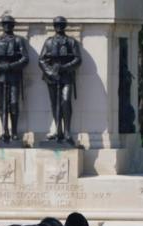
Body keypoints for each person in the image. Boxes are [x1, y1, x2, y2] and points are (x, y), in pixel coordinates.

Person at [0, 15, 29, 141]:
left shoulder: (19, 40)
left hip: (13, 75)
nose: (7, 26)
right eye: (5, 24)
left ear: (13, 26)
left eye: (9, 24)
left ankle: (14, 131)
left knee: (13, 104)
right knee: (2, 105)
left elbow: (25, 58)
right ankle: (5, 131)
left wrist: (10, 66)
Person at [38, 16, 82, 145]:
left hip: (66, 76)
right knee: (55, 104)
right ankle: (58, 130)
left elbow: (77, 59)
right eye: (57, 25)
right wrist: (51, 72)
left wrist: (64, 68)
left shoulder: (71, 42)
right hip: (52, 78)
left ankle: (67, 131)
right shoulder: (49, 42)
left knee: (66, 102)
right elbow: (41, 60)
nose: (59, 27)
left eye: (61, 25)